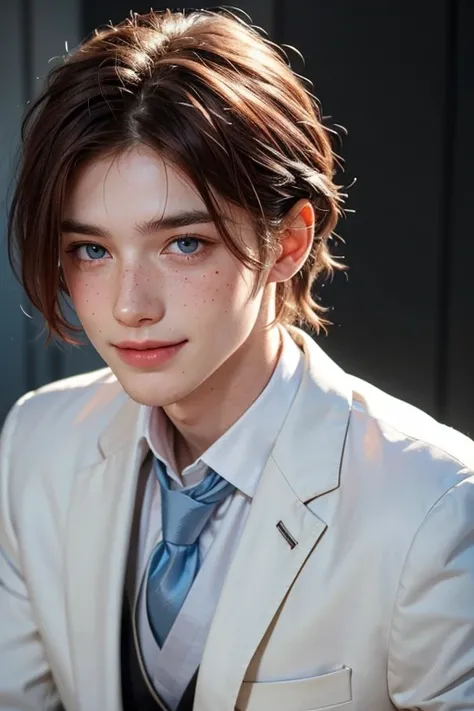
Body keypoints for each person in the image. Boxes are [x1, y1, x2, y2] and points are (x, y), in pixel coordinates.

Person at [1, 7, 473, 711]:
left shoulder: (434, 503)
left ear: (288, 242)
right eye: (92, 250)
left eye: (183, 242)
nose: (131, 306)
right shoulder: (39, 442)